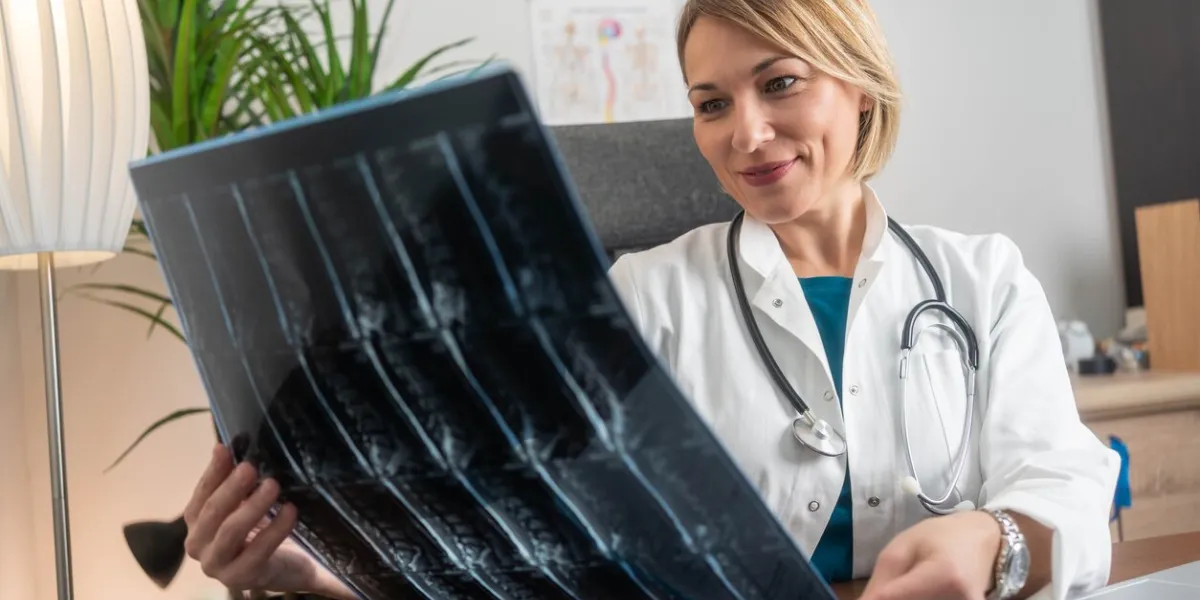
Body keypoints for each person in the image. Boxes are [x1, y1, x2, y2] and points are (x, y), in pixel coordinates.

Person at [181, 1, 1120, 599]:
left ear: (862, 91)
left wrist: (996, 545)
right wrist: (306, 574)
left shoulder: (979, 280)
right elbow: (544, 558)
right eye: (711, 104)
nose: (746, 133)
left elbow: (1068, 490)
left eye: (780, 83)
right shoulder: (646, 297)